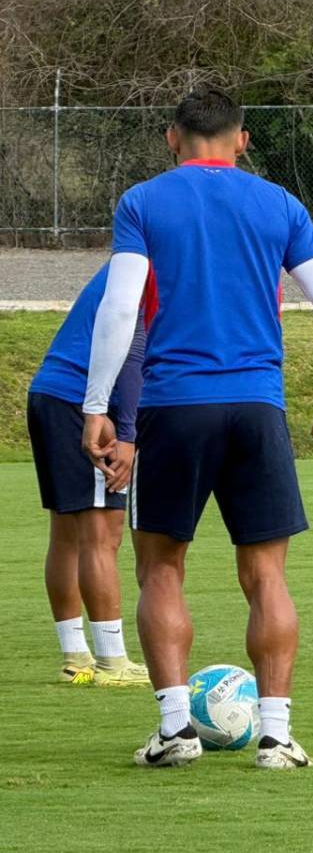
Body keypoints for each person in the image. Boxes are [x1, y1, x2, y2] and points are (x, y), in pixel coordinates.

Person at [81, 88, 313, 768]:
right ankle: (276, 736)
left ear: (172, 138)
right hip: (258, 406)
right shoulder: (281, 205)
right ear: (243, 140)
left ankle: (176, 730)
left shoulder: (143, 202)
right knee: (266, 575)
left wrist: (97, 407)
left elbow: (119, 311)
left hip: (173, 406)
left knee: (160, 569)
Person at [27, 264, 150, 687]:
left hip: (49, 393)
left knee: (66, 533)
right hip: (80, 403)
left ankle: (75, 656)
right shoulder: (157, 266)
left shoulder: (126, 261)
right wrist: (129, 434)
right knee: (102, 533)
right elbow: (133, 353)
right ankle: (112, 662)